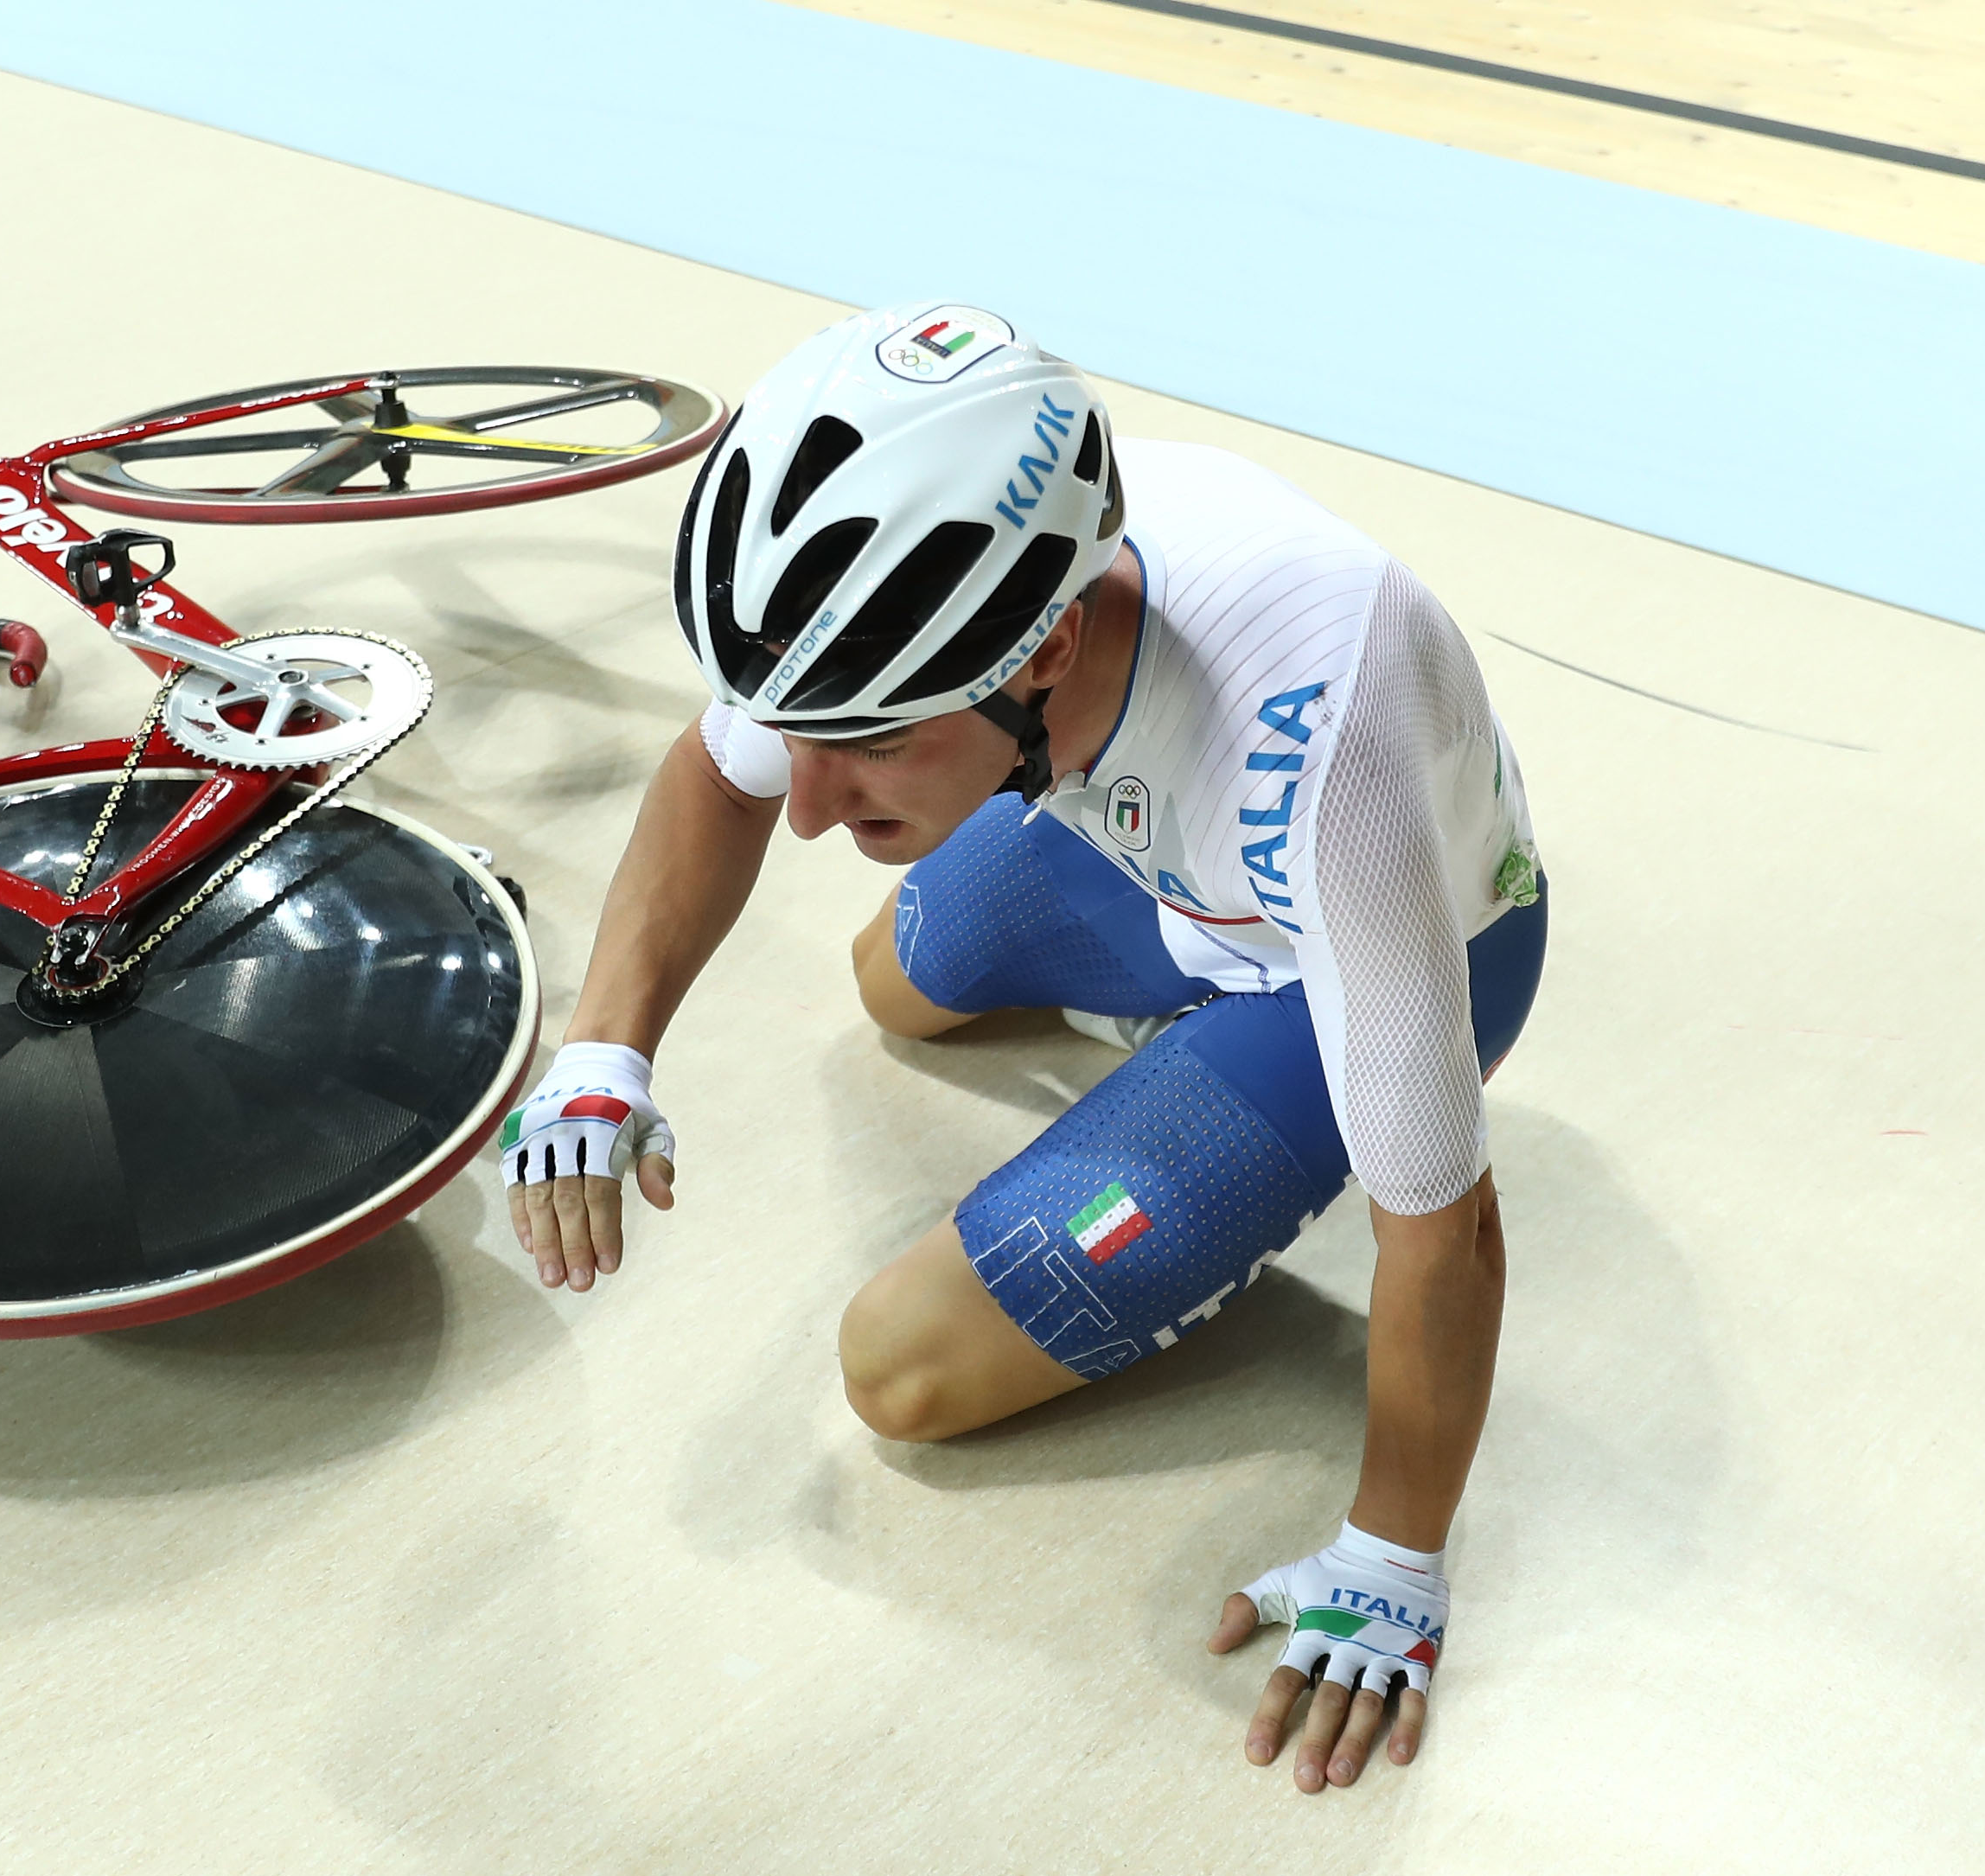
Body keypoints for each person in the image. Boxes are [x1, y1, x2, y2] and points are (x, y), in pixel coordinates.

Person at [497, 303, 1546, 1795]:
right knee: (898, 979)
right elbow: (715, 781)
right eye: (798, 730)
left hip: (1352, 952)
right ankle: (1165, 1033)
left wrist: (1396, 1554)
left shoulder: (1318, 742)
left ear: (1043, 649)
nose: (807, 803)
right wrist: (604, 1050)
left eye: (863, 738)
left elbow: (1449, 1226)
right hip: (1165, 865)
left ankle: (1214, 1082)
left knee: (901, 1370)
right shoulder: (939, 596)